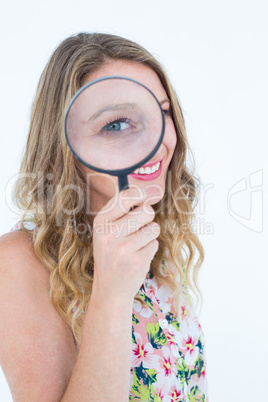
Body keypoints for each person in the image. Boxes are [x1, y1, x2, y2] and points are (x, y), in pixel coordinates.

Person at [0, 32, 208, 401]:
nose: (156, 142)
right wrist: (112, 294)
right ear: (66, 144)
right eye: (117, 124)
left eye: (161, 112)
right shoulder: (19, 260)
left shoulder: (156, 234)